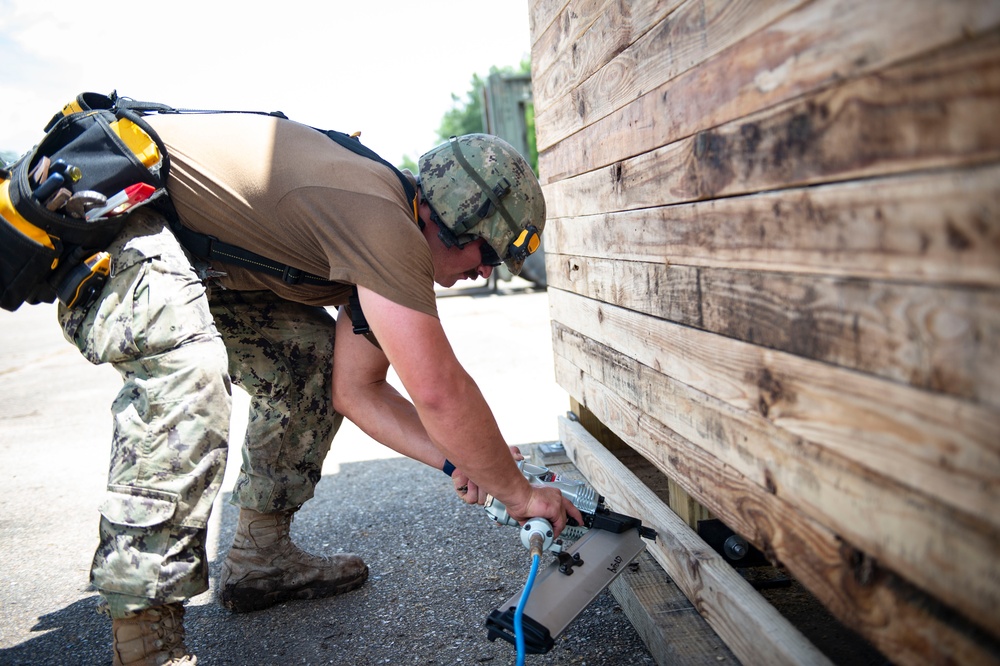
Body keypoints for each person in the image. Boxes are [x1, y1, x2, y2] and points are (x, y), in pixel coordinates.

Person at [56, 110, 584, 666]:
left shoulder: (385, 227)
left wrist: (463, 465)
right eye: (490, 255)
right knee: (188, 372)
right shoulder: (384, 224)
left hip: (187, 252)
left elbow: (357, 391)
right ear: (456, 220)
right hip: (109, 222)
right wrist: (520, 494)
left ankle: (261, 557)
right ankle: (144, 635)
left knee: (309, 360)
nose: (486, 274)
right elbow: (439, 390)